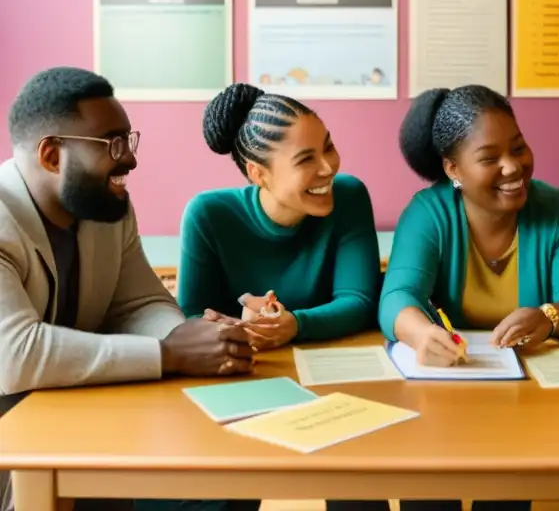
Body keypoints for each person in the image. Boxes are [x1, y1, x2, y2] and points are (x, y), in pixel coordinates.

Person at [0, 68, 253, 511]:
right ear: (52, 156)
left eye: (129, 141)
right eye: (112, 144)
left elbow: (139, 302)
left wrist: (188, 338)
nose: (131, 161)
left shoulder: (107, 206)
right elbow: (15, 356)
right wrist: (173, 355)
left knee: (229, 479)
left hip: (79, 424)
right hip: (16, 443)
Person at [378, 85, 559, 511]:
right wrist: (420, 335)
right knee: (428, 488)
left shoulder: (556, 209)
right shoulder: (428, 212)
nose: (513, 167)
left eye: (519, 147)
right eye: (490, 158)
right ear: (453, 167)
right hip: (449, 393)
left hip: (533, 397)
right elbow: (397, 297)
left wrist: (548, 316)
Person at [142, 83, 387, 511]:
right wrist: (238, 322)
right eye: (306, 160)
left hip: (338, 385)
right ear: (258, 173)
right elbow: (191, 317)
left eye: (328, 147)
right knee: (221, 491)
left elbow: (359, 300)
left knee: (358, 489)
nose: (328, 167)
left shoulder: (348, 196)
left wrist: (295, 324)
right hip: (249, 381)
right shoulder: (208, 213)